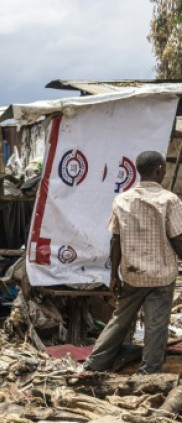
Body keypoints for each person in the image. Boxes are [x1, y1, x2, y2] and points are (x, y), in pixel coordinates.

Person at [84, 151, 182, 375]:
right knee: (156, 327)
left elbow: (115, 241)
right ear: (159, 169)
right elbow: (178, 240)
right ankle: (148, 374)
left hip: (132, 273)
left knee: (120, 321)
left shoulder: (122, 200)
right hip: (161, 275)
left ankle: (94, 364)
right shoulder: (170, 200)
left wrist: (113, 276)